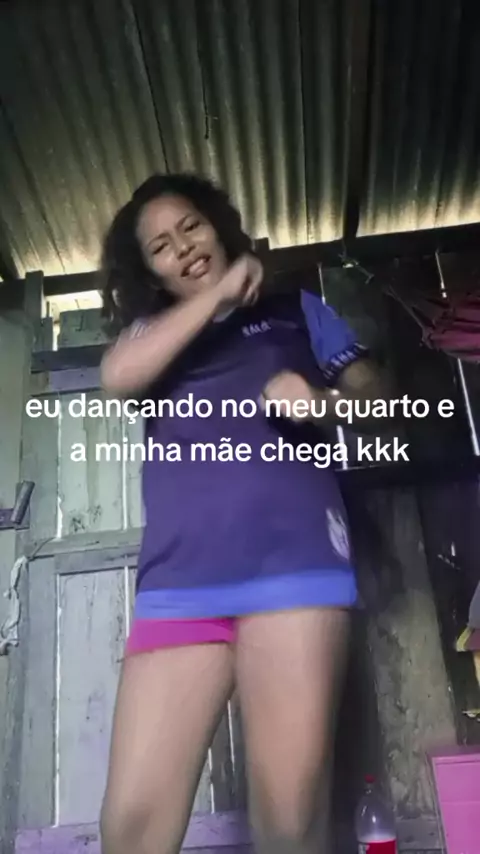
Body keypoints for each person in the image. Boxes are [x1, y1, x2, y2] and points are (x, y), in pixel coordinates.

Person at [98, 173, 390, 854]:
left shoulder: (298, 310)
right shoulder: (151, 335)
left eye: (191, 226)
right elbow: (116, 378)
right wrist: (220, 294)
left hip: (295, 570)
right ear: (150, 271)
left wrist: (323, 402)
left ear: (217, 225)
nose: (183, 247)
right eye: (161, 247)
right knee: (131, 827)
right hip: (180, 583)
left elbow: (378, 402)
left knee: (290, 824)